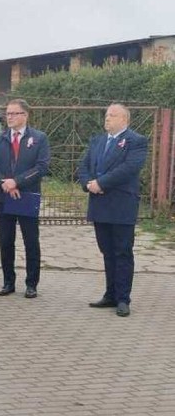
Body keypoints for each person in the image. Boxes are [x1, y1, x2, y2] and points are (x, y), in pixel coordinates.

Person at [77, 103, 148, 317]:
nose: (107, 118)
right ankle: (110, 294)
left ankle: (123, 299)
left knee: (122, 252)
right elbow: (84, 165)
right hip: (99, 205)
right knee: (107, 252)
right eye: (106, 115)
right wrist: (88, 183)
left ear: (124, 119)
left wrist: (101, 183)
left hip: (121, 206)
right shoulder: (98, 141)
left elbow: (128, 169)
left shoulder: (136, 141)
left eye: (112, 115)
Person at [0, 99, 51, 298]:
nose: (10, 117)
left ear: (25, 115)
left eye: (14, 113)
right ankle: (8, 282)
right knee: (6, 241)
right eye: (7, 114)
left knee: (31, 241)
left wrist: (17, 182)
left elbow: (41, 167)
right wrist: (5, 182)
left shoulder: (39, 138)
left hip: (26, 195)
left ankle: (31, 284)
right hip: (4, 196)